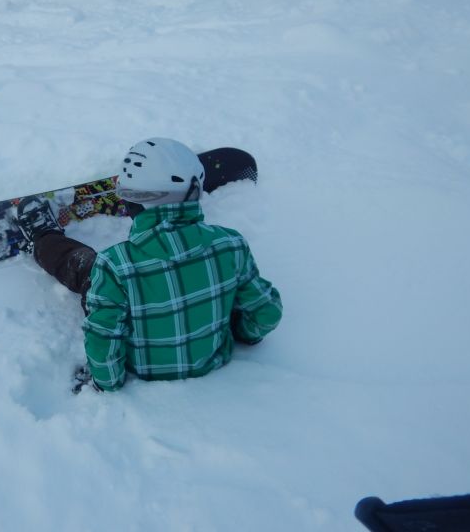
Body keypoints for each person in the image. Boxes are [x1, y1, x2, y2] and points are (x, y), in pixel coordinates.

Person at [16, 137, 282, 391]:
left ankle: (42, 237)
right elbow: (266, 313)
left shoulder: (115, 266)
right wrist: (241, 332)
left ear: (133, 203)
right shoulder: (231, 244)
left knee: (86, 269)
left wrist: (105, 383)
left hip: (143, 369)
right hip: (212, 361)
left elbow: (103, 339)